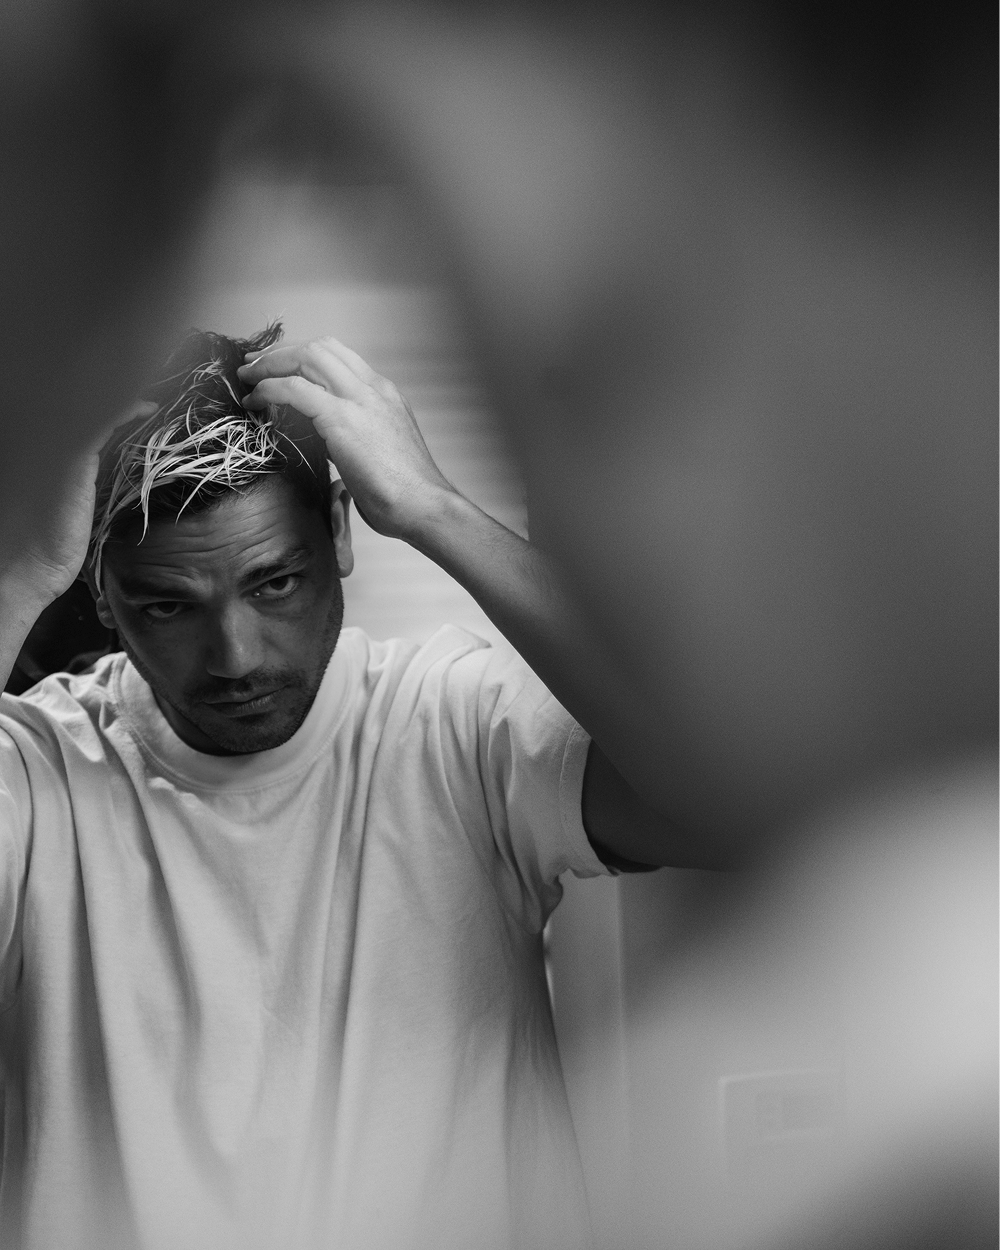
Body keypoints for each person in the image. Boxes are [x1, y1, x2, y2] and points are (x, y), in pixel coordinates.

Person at [0, 322, 700, 1250]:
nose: (235, 657)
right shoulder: (35, 769)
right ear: (100, 592)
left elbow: (729, 795)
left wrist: (431, 508)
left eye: (274, 585)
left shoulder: (456, 723)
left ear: (337, 532)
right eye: (168, 605)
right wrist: (25, 571)